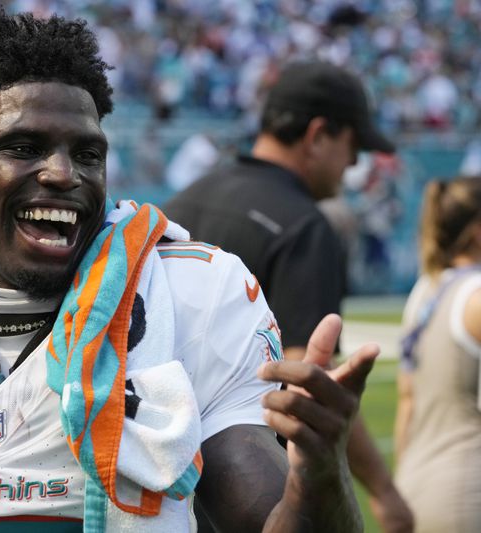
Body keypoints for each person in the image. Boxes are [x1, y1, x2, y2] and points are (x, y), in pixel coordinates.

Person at [0, 11, 380, 532]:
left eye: (88, 153)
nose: (65, 173)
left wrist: (320, 468)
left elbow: (265, 517)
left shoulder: (194, 295)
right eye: (23, 147)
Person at [163, 60, 414, 532]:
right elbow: (309, 387)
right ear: (318, 135)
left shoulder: (183, 202)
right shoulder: (304, 227)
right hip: (251, 497)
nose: (355, 163)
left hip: (165, 490)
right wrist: (384, 491)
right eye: (353, 146)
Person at [394, 177, 481, 532]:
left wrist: (398, 490)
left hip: (416, 486)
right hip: (465, 493)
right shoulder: (475, 294)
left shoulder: (425, 290)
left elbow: (407, 401)